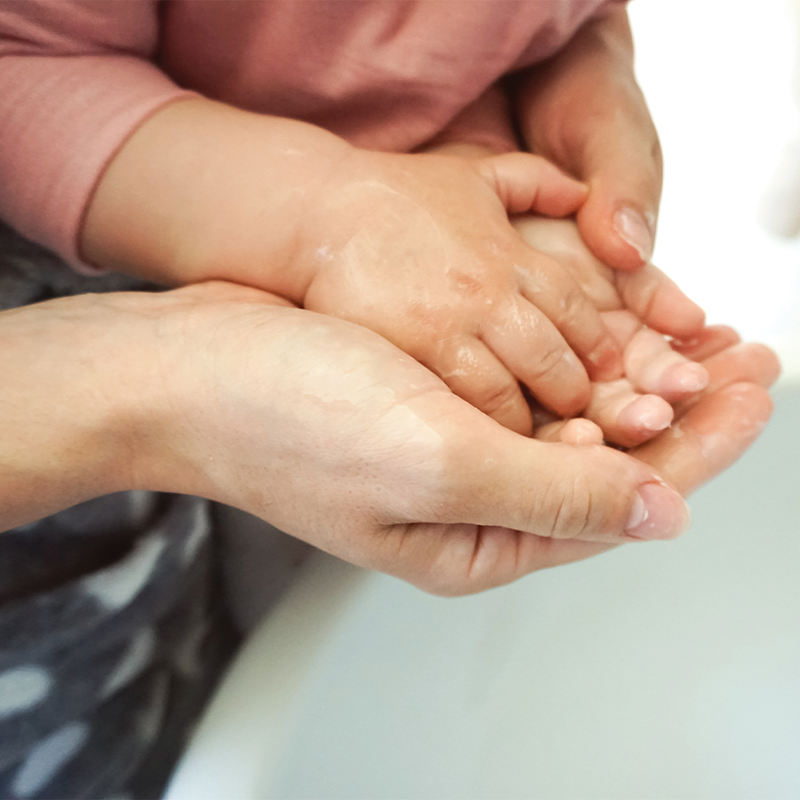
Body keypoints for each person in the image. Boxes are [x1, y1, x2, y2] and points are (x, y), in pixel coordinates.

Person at [0, 1, 779, 797]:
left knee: (179, 671)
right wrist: (319, 217)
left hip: (141, 518)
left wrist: (561, 53)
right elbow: (19, 57)